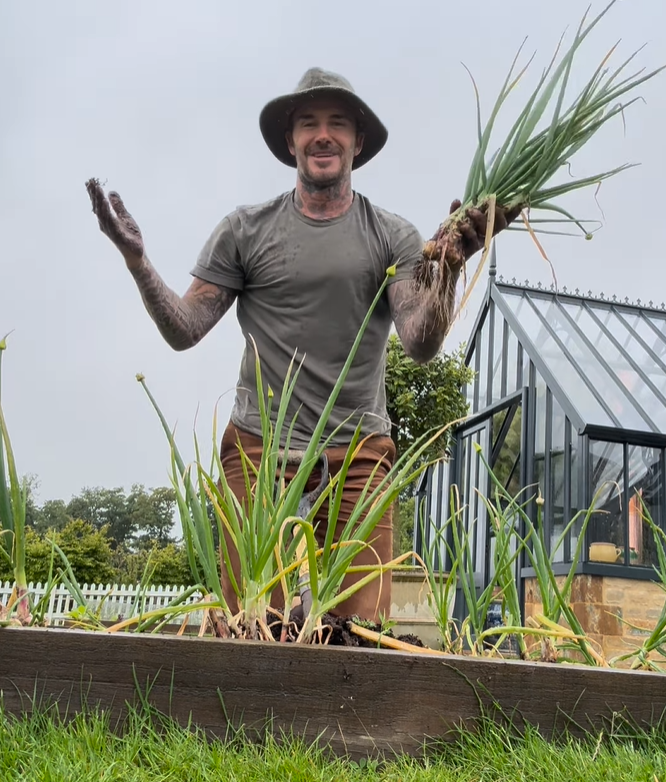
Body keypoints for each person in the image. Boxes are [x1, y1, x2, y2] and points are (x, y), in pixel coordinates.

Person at [86, 67, 516, 623]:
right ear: (290, 141)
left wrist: (449, 270)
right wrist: (139, 263)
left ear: (357, 143)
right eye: (308, 122)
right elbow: (185, 328)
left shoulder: (394, 235)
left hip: (357, 451)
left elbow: (420, 342)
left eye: (338, 122)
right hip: (261, 450)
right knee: (250, 623)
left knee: (358, 629)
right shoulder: (246, 230)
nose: (323, 134)